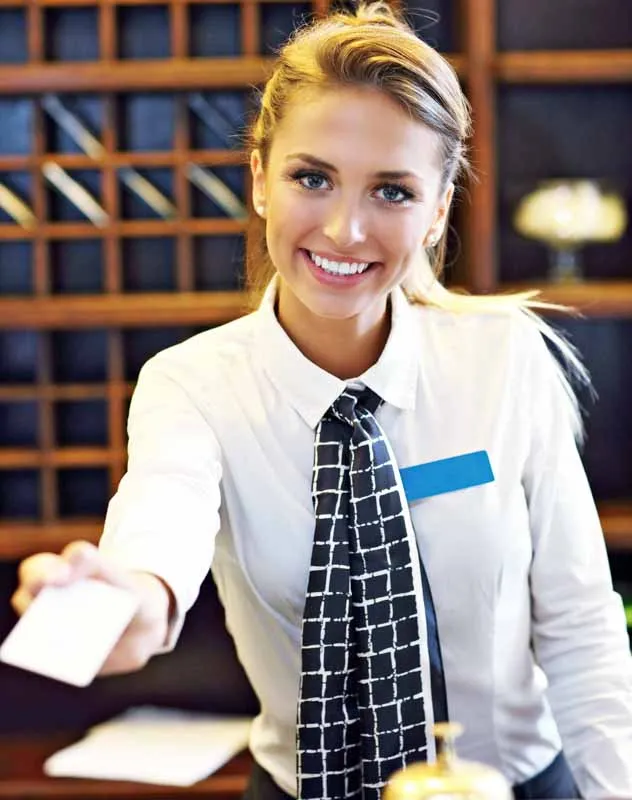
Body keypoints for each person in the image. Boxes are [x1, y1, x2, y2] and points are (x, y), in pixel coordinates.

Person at [11, 3, 632, 798]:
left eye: (393, 192)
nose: (345, 229)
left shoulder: (505, 359)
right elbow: (158, 541)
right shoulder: (190, 386)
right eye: (313, 178)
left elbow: (581, 624)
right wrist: (120, 603)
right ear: (261, 180)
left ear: (439, 210)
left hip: (510, 785)